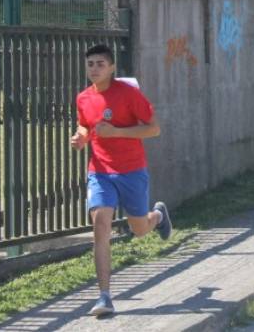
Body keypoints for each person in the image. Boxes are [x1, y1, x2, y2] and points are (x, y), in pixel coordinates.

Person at [71, 44, 172, 317]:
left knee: (139, 229)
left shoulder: (129, 94)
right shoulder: (83, 98)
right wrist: (81, 137)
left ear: (112, 67)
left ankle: (158, 216)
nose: (94, 69)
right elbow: (85, 124)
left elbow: (154, 128)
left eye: (100, 64)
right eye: (90, 63)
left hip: (131, 171)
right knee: (100, 223)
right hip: (100, 171)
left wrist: (116, 132)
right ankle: (104, 296)